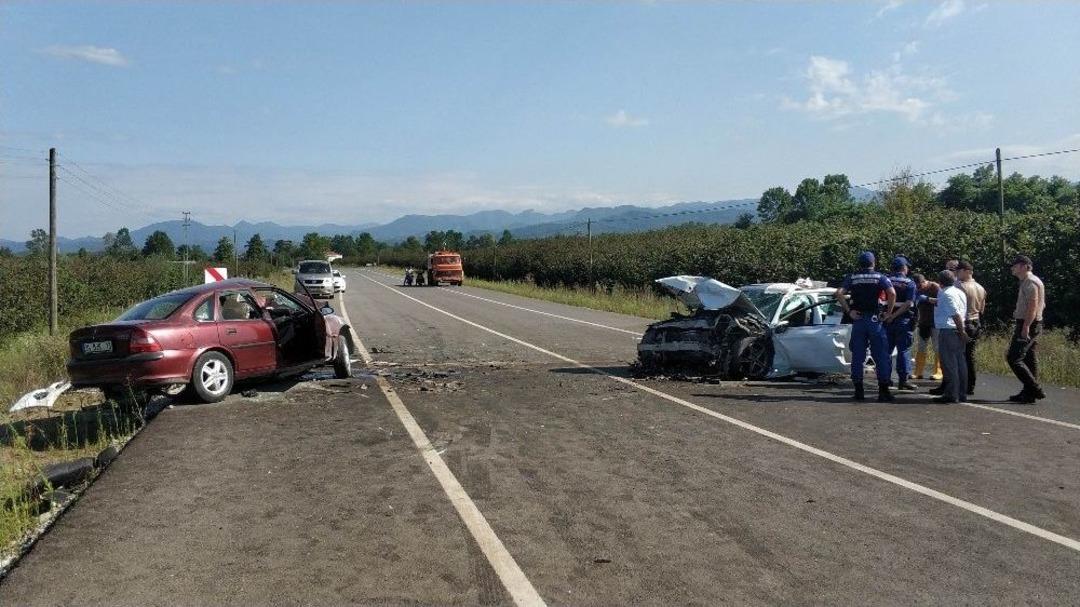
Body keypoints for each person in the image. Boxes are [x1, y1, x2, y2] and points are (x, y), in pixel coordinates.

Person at [837, 251, 897, 402]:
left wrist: (849, 311)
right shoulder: (880, 277)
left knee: (857, 356)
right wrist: (888, 313)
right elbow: (892, 293)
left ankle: (858, 391)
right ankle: (883, 391)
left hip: (859, 319)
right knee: (881, 355)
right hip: (875, 320)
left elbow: (839, 293)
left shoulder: (852, 277)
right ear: (873, 263)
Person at [1006, 255, 1046, 404]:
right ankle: (1028, 393)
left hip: (1028, 322)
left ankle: (1035, 389)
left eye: (1015, 265)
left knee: (1013, 357)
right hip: (1031, 322)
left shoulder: (1030, 281)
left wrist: (1026, 326)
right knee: (1029, 357)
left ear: (1024, 266)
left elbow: (1033, 305)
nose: (1012, 268)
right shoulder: (1026, 281)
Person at [931, 270, 970, 404]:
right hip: (957, 329)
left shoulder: (946, 294)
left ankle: (952, 394)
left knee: (949, 364)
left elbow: (955, 314)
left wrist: (961, 331)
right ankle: (961, 392)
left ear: (940, 282)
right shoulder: (959, 292)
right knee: (960, 363)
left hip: (949, 330)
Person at [884, 256, 918, 391]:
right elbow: (909, 303)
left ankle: (885, 379)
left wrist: (888, 315)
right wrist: (894, 315)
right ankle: (903, 380)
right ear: (904, 268)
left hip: (886, 320)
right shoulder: (909, 283)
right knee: (903, 350)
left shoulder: (886, 280)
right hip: (903, 320)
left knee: (886, 351)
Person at [957, 261, 986, 395]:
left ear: (967, 271)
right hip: (976, 322)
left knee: (959, 355)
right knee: (970, 355)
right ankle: (970, 385)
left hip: (964, 322)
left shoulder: (960, 286)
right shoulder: (981, 288)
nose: (957, 273)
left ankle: (960, 384)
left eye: (959, 271)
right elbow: (982, 309)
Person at [911, 273, 943, 381]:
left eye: (920, 286)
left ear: (924, 281)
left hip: (935, 322)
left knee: (937, 347)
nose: (918, 288)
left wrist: (928, 299)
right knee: (921, 347)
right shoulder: (916, 289)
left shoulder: (935, 287)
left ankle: (938, 371)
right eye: (917, 287)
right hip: (923, 321)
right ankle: (918, 372)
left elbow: (942, 302)